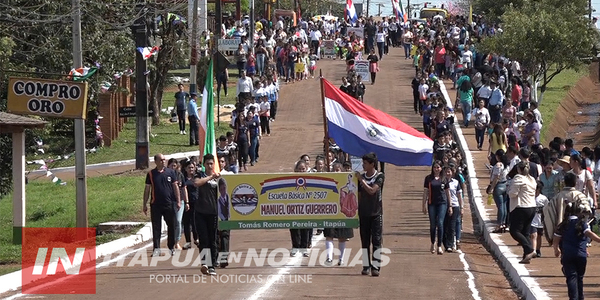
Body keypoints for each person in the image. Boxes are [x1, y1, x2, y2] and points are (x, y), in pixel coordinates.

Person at [553, 201, 600, 300]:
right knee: (580, 278)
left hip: (567, 255)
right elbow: (589, 234)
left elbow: (556, 239)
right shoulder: (582, 224)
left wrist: (556, 249)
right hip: (581, 255)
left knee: (571, 277)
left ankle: (573, 298)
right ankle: (580, 298)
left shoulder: (563, 225)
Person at [143, 153, 181, 257]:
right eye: (161, 160)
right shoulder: (151, 174)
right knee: (156, 227)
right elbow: (147, 189)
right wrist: (144, 204)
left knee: (172, 226)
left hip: (169, 204)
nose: (163, 161)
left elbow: (175, 187)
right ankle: (156, 249)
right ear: (155, 161)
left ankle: (171, 246)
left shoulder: (171, 172)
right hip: (155, 204)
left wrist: (178, 201)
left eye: (164, 160)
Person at [355, 152, 385, 277]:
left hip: (376, 213)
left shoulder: (380, 176)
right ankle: (366, 266)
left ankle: (376, 267)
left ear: (372, 164)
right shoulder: (360, 178)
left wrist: (361, 180)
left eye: (365, 163)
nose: (363, 165)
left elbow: (372, 190)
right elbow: (358, 195)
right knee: (365, 241)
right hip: (364, 213)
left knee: (376, 240)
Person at [193, 154, 221, 276]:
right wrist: (210, 177)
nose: (210, 166)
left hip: (213, 213)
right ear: (204, 165)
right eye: (208, 164)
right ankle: (205, 263)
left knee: (212, 240)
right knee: (203, 239)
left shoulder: (218, 178)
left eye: (212, 163)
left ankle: (212, 265)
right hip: (200, 213)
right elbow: (197, 183)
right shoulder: (200, 175)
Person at [507, 161, 537, 264]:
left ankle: (530, 250)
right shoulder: (532, 179)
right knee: (525, 232)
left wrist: (508, 191)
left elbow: (513, 194)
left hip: (521, 207)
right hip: (532, 207)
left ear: (519, 169)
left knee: (514, 231)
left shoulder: (518, 178)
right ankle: (526, 256)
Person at [423, 160, 446, 255]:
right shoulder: (428, 178)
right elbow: (425, 192)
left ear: (441, 168)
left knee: (440, 223)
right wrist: (423, 205)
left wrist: (451, 205)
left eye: (438, 167)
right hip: (431, 203)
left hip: (442, 203)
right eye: (435, 167)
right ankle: (433, 242)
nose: (436, 169)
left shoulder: (443, 178)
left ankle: (439, 246)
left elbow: (447, 192)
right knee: (433, 225)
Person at [289, 160, 311, 257]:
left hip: (306, 207)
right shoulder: (290, 179)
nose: (302, 171)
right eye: (299, 169)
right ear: (296, 170)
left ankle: (304, 247)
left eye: (303, 169)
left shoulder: (311, 179)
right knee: (294, 227)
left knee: (305, 227)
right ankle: (295, 246)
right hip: (294, 207)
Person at [168, 158, 188, 250]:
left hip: (180, 202)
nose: (173, 167)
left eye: (174, 165)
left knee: (178, 221)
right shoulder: (166, 175)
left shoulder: (179, 175)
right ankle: (171, 242)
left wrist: (186, 201)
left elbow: (184, 188)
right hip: (168, 201)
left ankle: (177, 241)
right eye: (171, 165)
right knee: (171, 222)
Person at [530, 181, 548, 257]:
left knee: (539, 236)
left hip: (540, 221)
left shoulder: (543, 198)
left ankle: (538, 250)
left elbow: (547, 209)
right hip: (531, 220)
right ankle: (533, 250)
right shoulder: (529, 197)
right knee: (533, 235)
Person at [217, 177, 230, 268]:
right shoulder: (218, 200)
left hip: (228, 220)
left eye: (224, 188)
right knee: (221, 238)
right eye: (221, 189)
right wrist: (222, 219)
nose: (223, 191)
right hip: (221, 220)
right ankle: (221, 258)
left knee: (225, 238)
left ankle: (223, 258)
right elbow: (219, 212)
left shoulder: (229, 198)